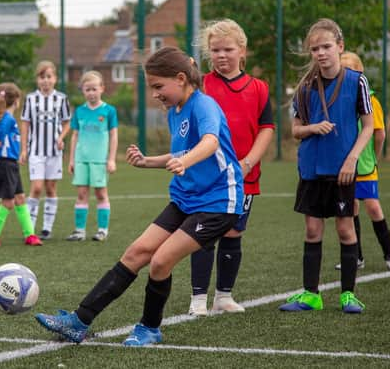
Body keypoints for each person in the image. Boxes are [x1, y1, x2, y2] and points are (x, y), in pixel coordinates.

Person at [35, 47, 245, 346]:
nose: (156, 94)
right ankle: (78, 321)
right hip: (187, 198)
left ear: (182, 78)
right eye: (152, 88)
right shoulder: (176, 111)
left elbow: (210, 143)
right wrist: (149, 161)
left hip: (218, 201)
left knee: (160, 261)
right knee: (136, 253)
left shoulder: (204, 106)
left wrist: (185, 162)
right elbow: (181, 152)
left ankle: (149, 328)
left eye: (159, 86)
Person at [279, 19, 374, 314]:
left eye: (326, 47)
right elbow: (295, 131)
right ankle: (311, 295)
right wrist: (313, 128)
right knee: (312, 230)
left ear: (340, 47)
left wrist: (352, 158)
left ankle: (348, 295)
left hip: (342, 169)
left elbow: (369, 126)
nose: (321, 53)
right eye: (315, 49)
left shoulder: (356, 80)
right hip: (311, 168)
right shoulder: (305, 87)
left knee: (346, 230)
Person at [188, 19, 274, 316]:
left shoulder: (259, 88)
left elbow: (266, 128)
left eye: (227, 49)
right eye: (215, 50)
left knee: (233, 234)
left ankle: (223, 296)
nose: (221, 55)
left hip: (243, 177)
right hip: (207, 177)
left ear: (242, 51)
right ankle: (198, 298)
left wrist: (248, 162)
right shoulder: (201, 85)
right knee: (202, 234)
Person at [333, 51, 390, 272]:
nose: (345, 74)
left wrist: (374, 157)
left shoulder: (371, 101)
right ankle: (357, 257)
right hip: (344, 167)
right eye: (342, 69)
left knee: (373, 208)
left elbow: (379, 133)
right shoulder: (336, 98)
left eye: (350, 69)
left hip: (364, 166)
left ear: (360, 72)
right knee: (350, 210)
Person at [0, 83, 42, 247]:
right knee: (8, 203)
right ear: (16, 100)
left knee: (20, 199)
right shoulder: (7, 119)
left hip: (11, 165)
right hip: (5, 165)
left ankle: (30, 235)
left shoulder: (7, 118)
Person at [20, 61, 71, 240]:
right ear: (37, 79)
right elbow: (25, 124)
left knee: (50, 188)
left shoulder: (61, 99)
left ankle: (47, 228)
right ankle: (30, 228)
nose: (46, 81)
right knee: (36, 187)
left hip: (54, 152)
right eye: (42, 77)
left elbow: (67, 122)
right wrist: (24, 149)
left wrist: (61, 137)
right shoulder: (30, 99)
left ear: (55, 79)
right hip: (36, 150)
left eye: (49, 77)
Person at [66, 71, 118, 242]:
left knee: (101, 194)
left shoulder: (109, 111)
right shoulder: (80, 111)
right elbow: (74, 136)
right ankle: (79, 231)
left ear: (102, 88)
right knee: (81, 194)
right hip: (81, 159)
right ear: (83, 91)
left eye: (94, 89)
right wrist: (72, 159)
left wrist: (111, 159)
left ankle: (102, 230)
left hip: (100, 160)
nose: (91, 93)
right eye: (87, 90)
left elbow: (113, 136)